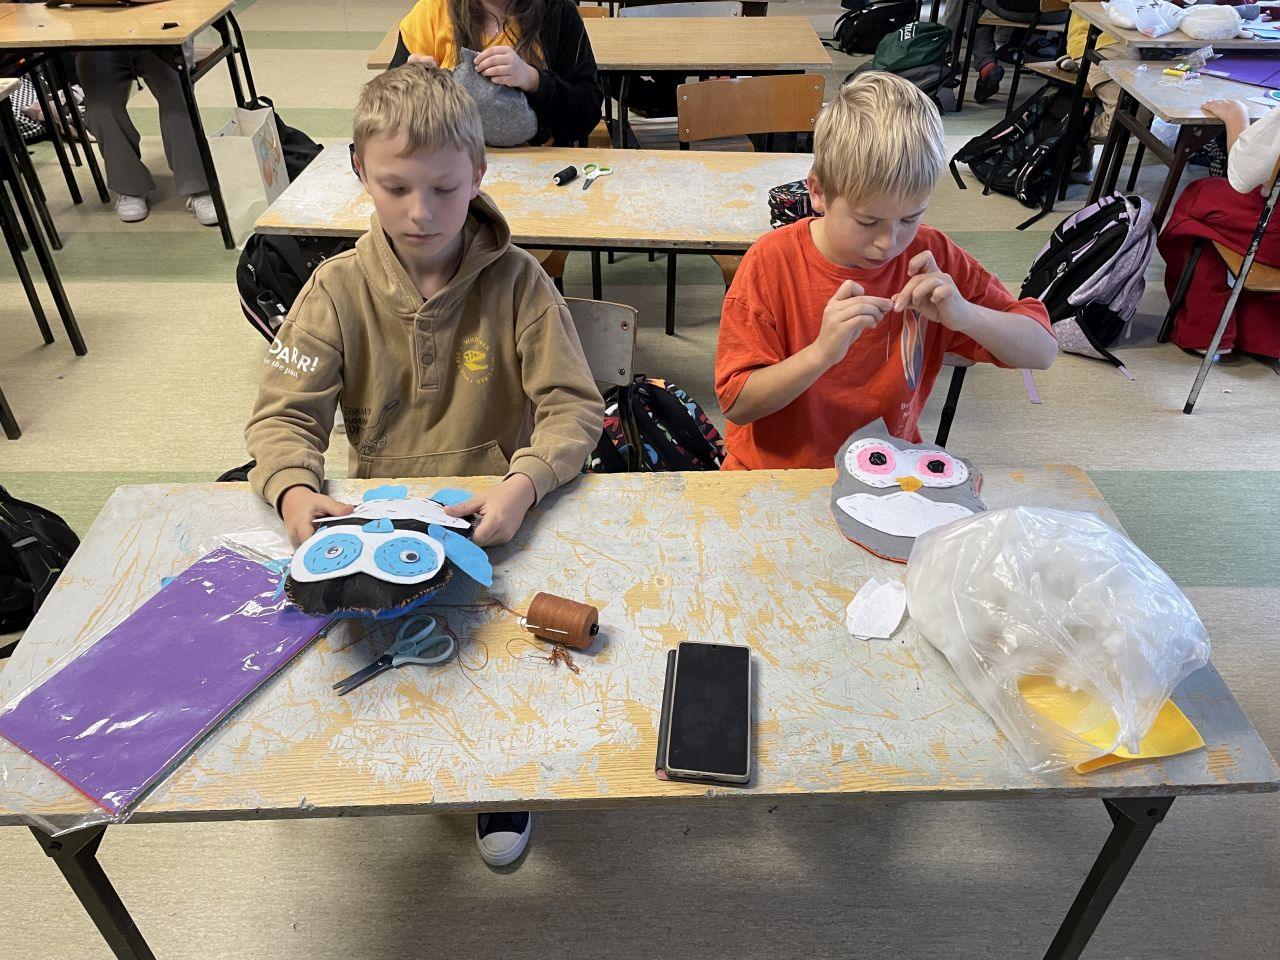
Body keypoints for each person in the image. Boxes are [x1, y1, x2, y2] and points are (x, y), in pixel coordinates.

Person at [244, 65, 604, 865]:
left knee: (503, 661)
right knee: (355, 661)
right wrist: (296, 491)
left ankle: (497, 777)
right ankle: (383, 760)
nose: (421, 212)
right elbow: (281, 417)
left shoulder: (520, 283)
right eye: (396, 187)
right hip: (376, 525)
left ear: (478, 173)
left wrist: (524, 484)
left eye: (444, 188)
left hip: (495, 521)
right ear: (359, 173)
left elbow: (574, 409)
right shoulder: (334, 290)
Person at [713, 72, 1057, 471]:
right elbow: (738, 405)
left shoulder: (931, 254)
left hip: (887, 472)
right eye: (867, 221)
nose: (889, 243)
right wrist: (821, 354)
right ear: (819, 192)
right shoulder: (772, 262)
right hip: (773, 475)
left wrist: (966, 316)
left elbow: (1042, 351)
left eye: (910, 218)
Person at [1158, 99, 1280, 366]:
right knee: (1216, 213)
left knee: (1197, 201)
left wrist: (1237, 118)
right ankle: (1263, 335)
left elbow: (1243, 174)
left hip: (1272, 235)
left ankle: (1207, 329)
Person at [388, 0, 601, 146]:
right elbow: (385, 118)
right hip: (446, 168)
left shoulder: (558, 13)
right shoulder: (430, 13)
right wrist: (410, 89)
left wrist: (535, 81)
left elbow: (585, 116)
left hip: (540, 171)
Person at [74, 50, 217, 225]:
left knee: (177, 95)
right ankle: (129, 186)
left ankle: (198, 185)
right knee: (100, 106)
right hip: (98, 42)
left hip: (160, 41)